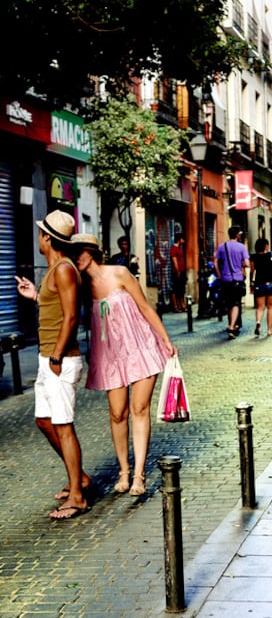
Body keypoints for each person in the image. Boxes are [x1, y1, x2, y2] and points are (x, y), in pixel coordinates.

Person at [70, 233, 175, 496]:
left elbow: (146, 307)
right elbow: (62, 308)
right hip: (110, 356)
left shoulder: (120, 273)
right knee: (118, 413)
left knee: (140, 408)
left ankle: (138, 475)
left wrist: (165, 340)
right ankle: (124, 471)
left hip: (140, 346)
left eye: (80, 252)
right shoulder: (81, 286)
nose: (77, 258)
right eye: (73, 254)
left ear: (92, 252)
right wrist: (36, 297)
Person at [15, 210, 90, 520]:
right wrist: (36, 296)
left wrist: (57, 355)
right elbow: (56, 307)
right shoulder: (53, 271)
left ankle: (77, 496)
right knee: (44, 421)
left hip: (60, 359)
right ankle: (80, 478)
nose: (39, 237)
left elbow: (71, 316)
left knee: (63, 425)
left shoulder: (63, 269)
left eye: (41, 233)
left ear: (47, 238)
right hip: (48, 357)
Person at [214, 225, 250, 340]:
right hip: (237, 279)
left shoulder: (222, 246)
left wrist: (220, 274)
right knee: (235, 303)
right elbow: (247, 263)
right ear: (237, 235)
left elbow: (215, 262)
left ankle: (232, 324)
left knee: (229, 303)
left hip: (225, 280)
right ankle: (231, 326)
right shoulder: (241, 247)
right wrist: (241, 264)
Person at [250, 238, 272, 336]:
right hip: (270, 283)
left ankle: (258, 322)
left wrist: (251, 283)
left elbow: (252, 271)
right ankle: (269, 330)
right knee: (270, 307)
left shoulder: (253, 257)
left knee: (260, 307)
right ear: (266, 246)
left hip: (259, 283)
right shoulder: (271, 256)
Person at [170, 232, 187, 312]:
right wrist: (178, 271)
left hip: (182, 271)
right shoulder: (174, 249)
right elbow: (174, 260)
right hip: (177, 272)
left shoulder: (180, 249)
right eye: (183, 239)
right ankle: (176, 306)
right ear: (179, 240)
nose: (184, 241)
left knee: (181, 289)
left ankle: (182, 305)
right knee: (175, 289)